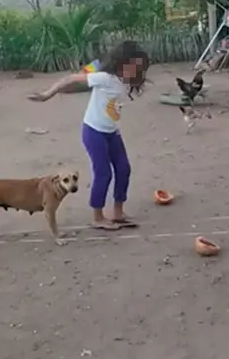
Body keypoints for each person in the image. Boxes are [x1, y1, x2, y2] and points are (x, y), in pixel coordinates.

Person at [28, 41, 149, 231]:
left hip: (112, 133)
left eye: (138, 69)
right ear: (121, 63)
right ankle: (97, 217)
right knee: (104, 173)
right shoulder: (105, 78)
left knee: (123, 169)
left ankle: (118, 213)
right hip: (94, 133)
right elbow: (71, 79)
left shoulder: (125, 82)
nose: (135, 72)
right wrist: (47, 94)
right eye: (132, 67)